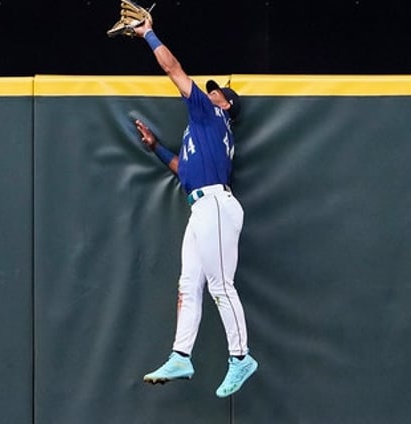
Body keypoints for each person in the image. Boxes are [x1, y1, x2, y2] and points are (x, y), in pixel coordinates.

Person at [132, 17, 257, 398]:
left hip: (216, 206)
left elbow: (172, 68)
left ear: (226, 105)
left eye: (219, 93)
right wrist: (157, 149)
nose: (212, 92)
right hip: (202, 204)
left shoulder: (210, 114)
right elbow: (185, 172)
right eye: (213, 92)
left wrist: (147, 33)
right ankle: (181, 355)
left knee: (220, 285)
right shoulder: (201, 130)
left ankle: (241, 358)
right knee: (189, 284)